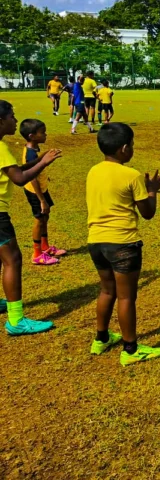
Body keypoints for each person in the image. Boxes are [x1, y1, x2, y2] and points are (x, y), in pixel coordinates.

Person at [86, 123, 160, 366]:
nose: (132, 149)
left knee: (106, 290)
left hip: (96, 242)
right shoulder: (131, 175)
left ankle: (101, 338)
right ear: (124, 148)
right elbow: (148, 212)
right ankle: (130, 349)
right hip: (122, 244)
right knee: (126, 297)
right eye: (131, 145)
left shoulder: (93, 171)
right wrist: (151, 191)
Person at [0, 100, 62, 335]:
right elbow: (19, 178)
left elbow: (17, 168)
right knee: (12, 259)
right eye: (11, 116)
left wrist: (39, 159)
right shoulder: (1, 147)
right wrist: (44, 162)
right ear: (1, 121)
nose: (15, 121)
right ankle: (16, 320)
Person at [20, 119, 66, 266]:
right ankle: (37, 253)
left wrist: (45, 176)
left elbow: (38, 170)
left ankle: (45, 247)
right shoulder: (30, 154)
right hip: (36, 192)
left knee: (45, 216)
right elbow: (32, 177)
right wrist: (41, 200)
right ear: (32, 135)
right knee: (39, 219)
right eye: (43, 132)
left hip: (41, 189)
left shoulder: (34, 149)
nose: (46, 134)